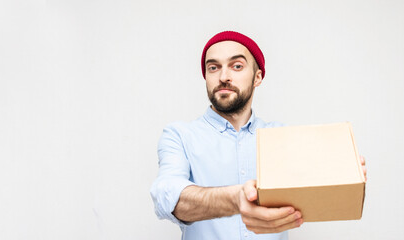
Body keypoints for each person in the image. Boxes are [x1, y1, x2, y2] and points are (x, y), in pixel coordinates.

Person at [150, 31, 367, 240]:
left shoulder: (282, 137)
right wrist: (237, 199)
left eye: (237, 66)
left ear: (257, 77)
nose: (224, 77)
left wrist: (345, 174)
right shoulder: (179, 135)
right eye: (213, 67)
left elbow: (314, 191)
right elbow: (168, 195)